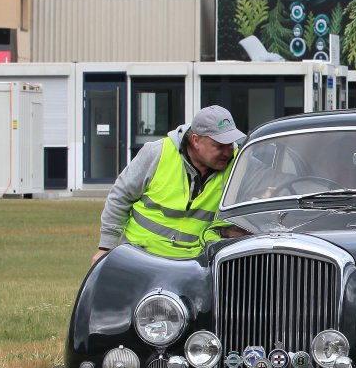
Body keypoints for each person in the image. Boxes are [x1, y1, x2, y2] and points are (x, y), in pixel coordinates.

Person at [93, 105, 245, 264]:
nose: (227, 152)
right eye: (219, 146)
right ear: (195, 140)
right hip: (139, 257)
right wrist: (106, 247)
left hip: (194, 265)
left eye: (230, 144)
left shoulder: (240, 163)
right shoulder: (156, 152)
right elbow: (120, 197)